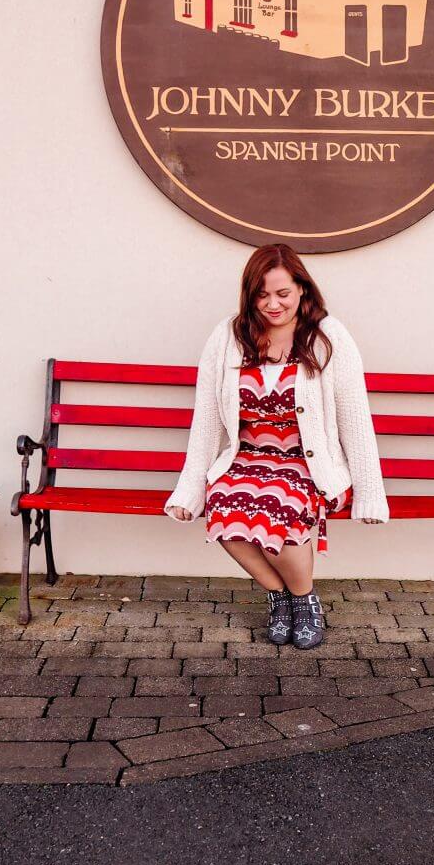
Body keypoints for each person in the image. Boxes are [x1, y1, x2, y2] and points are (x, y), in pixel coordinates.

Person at [164, 243, 389, 650]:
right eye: (262, 295)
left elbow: (355, 417)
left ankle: (304, 601)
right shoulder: (228, 337)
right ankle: (282, 596)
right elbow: (208, 419)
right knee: (223, 505)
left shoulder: (327, 336)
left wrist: (371, 494)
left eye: (282, 293)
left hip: (306, 463)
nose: (272, 304)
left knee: (278, 506)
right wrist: (189, 489)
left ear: (302, 289)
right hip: (246, 459)